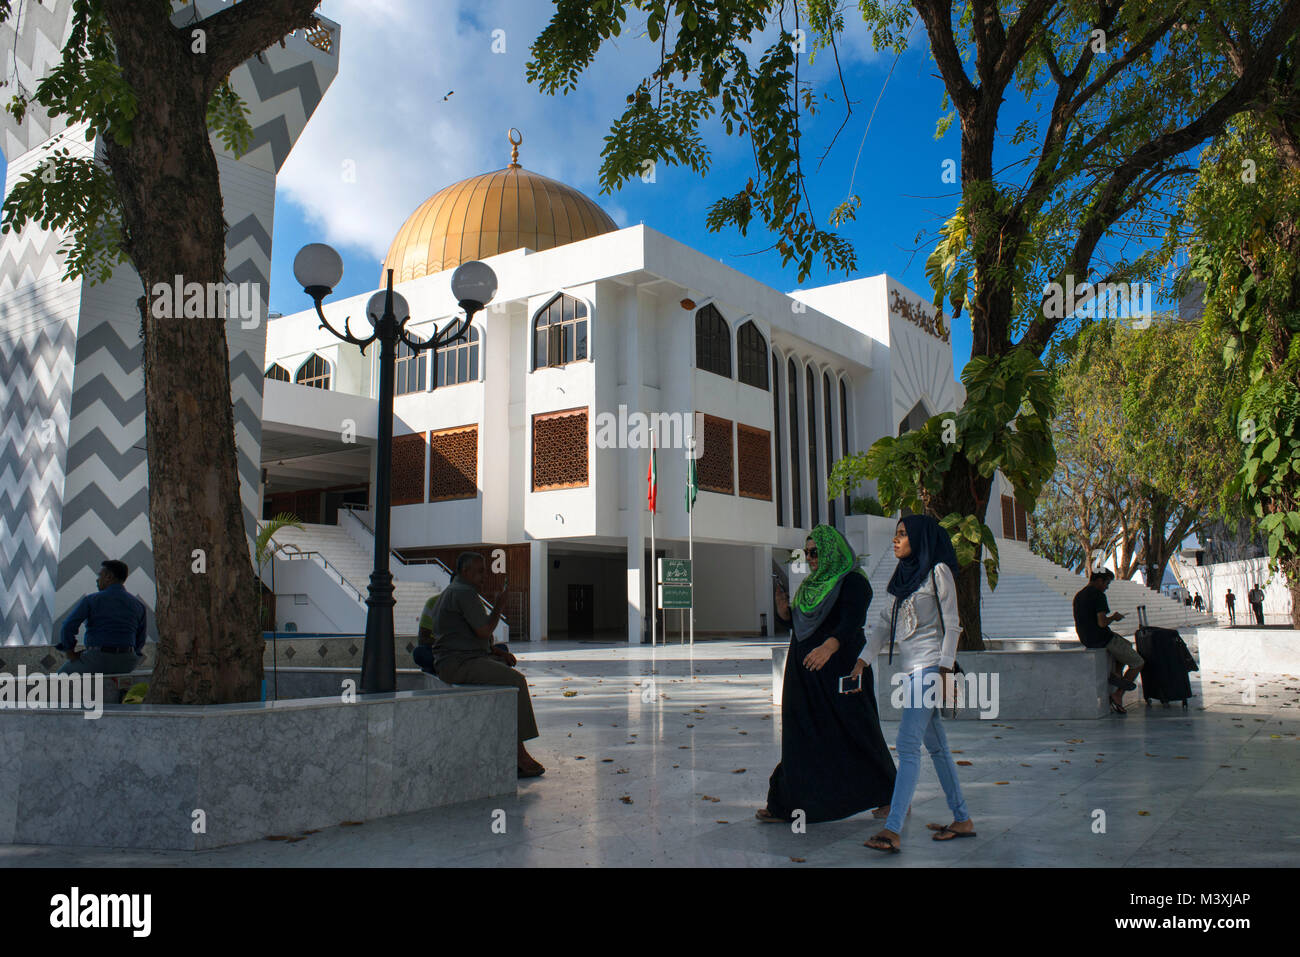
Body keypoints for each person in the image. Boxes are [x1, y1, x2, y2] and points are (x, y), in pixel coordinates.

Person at [758, 524, 897, 824]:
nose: (809, 558)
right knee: (799, 735)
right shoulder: (810, 587)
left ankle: (889, 794)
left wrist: (829, 647)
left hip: (841, 669)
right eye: (806, 553)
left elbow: (851, 621)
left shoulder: (853, 582)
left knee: (858, 730)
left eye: (815, 552)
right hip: (805, 673)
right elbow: (799, 626)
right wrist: (784, 613)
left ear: (832, 550)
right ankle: (786, 802)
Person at [858, 516, 975, 853]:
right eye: (895, 534)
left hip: (929, 669)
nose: (895, 540)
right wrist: (863, 660)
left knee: (908, 745)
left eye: (903, 534)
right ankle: (962, 818)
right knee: (937, 748)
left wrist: (944, 668)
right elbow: (883, 625)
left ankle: (892, 829)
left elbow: (953, 624)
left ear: (920, 538)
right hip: (910, 672)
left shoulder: (938, 571)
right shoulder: (902, 578)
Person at [416, 552, 544, 778]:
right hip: (459, 664)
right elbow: (484, 630)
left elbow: (468, 636)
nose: (484, 576)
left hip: (459, 659)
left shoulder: (451, 592)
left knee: (505, 669)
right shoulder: (464, 593)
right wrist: (499, 605)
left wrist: (494, 652)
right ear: (465, 572)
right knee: (517, 681)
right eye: (480, 571)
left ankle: (510, 747)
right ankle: (520, 754)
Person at [56, 560, 147, 675]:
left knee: (58, 679)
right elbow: (140, 640)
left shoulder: (92, 600)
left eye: (100, 575)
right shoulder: (138, 605)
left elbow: (68, 626)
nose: (97, 579)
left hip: (97, 660)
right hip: (127, 662)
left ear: (109, 577)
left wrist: (69, 650)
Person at [1073, 571, 1143, 713]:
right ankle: (1118, 694)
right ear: (1099, 580)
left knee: (1126, 644)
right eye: (1106, 583)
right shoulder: (1098, 596)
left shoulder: (1079, 595)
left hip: (1086, 638)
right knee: (1138, 662)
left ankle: (1117, 674)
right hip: (1101, 637)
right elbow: (1102, 622)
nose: (1106, 587)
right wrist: (1114, 617)